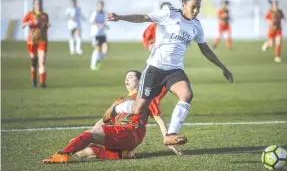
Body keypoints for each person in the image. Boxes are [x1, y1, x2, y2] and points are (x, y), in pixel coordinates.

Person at [107, 0, 233, 146]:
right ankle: (117, 108)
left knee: (187, 94)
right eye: (193, 7)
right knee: (138, 109)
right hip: (155, 68)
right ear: (183, 4)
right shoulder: (169, 14)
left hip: (174, 71)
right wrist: (120, 17)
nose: (196, 11)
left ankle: (170, 134)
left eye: (199, 7)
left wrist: (223, 67)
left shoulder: (196, 26)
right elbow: (143, 17)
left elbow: (205, 49)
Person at [42, 70, 182, 163]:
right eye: (126, 77)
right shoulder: (119, 102)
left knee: (87, 138)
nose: (127, 79)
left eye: (131, 77)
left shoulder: (145, 98)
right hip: (118, 136)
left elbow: (158, 118)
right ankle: (122, 154)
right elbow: (103, 121)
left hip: (129, 133)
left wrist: (167, 137)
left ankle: (63, 154)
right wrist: (88, 136)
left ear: (141, 81)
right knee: (81, 152)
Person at [22, 0, 50, 88]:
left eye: (39, 3)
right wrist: (29, 23)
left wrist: (47, 25)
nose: (38, 5)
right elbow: (23, 24)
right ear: (34, 5)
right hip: (32, 41)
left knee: (41, 62)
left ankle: (43, 83)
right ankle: (34, 80)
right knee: (34, 63)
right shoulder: (30, 14)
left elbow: (46, 25)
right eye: (36, 4)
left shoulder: (45, 15)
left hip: (42, 40)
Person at [89, 0, 109, 70]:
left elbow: (103, 22)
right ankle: (93, 65)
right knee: (97, 49)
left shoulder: (104, 13)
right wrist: (100, 24)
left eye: (102, 5)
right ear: (97, 6)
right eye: (100, 5)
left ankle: (97, 60)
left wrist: (105, 26)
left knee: (105, 49)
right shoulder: (95, 13)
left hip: (102, 34)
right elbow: (92, 23)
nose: (101, 7)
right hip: (95, 34)